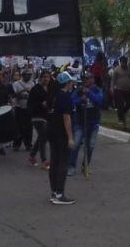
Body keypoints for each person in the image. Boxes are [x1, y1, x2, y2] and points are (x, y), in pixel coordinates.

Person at [47, 72, 75, 205]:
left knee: (55, 163)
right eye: (71, 82)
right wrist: (70, 137)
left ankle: (54, 192)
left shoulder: (55, 96)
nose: (73, 84)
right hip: (61, 134)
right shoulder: (65, 97)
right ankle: (59, 193)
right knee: (63, 163)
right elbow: (66, 117)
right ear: (67, 83)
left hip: (53, 132)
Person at [68, 72, 104, 176]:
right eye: (85, 79)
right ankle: (71, 166)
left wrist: (89, 94)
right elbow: (71, 102)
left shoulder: (97, 90)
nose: (87, 80)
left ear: (93, 79)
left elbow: (99, 101)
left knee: (90, 145)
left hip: (93, 122)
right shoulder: (79, 90)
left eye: (89, 78)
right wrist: (81, 100)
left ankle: (86, 165)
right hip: (80, 122)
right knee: (76, 144)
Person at [27, 70, 51, 169]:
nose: (46, 79)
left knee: (42, 137)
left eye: (48, 77)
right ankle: (44, 160)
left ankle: (32, 156)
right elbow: (30, 104)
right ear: (40, 78)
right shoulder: (35, 89)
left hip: (48, 116)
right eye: (44, 77)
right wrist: (41, 104)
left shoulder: (50, 89)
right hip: (37, 117)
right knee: (43, 137)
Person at [12, 68, 35, 152]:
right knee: (18, 127)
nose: (28, 76)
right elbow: (13, 95)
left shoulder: (32, 84)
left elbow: (33, 96)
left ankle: (28, 144)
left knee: (29, 127)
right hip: (19, 108)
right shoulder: (16, 84)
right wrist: (23, 91)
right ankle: (16, 144)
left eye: (30, 75)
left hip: (28, 109)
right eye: (27, 75)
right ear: (23, 75)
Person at [112, 56, 130, 126]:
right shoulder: (116, 70)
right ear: (120, 62)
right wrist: (112, 88)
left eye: (124, 62)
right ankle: (120, 118)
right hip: (119, 89)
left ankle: (123, 112)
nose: (123, 64)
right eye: (122, 62)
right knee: (120, 104)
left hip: (129, 89)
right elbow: (113, 80)